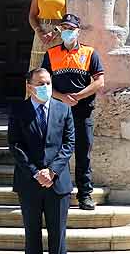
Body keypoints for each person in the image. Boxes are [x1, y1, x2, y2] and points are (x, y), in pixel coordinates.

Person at [9, 67, 74, 254]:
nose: (45, 87)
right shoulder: (19, 110)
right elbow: (15, 145)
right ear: (29, 86)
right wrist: (36, 172)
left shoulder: (63, 109)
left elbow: (68, 143)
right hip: (30, 183)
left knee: (58, 235)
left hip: (57, 184)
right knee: (32, 235)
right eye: (40, 83)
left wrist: (52, 171)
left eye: (47, 83)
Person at [44, 13, 103, 210]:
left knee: (83, 153)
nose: (67, 32)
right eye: (64, 28)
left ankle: (85, 194)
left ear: (78, 31)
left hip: (82, 111)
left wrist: (78, 96)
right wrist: (63, 97)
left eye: (70, 29)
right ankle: (58, 191)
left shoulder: (89, 53)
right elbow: (44, 83)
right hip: (58, 111)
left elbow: (99, 82)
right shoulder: (51, 54)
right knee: (56, 152)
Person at [27, 0, 74, 70]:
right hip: (41, 33)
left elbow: (72, 15)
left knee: (59, 69)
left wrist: (55, 31)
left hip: (61, 32)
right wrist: (39, 32)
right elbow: (32, 15)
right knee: (37, 70)